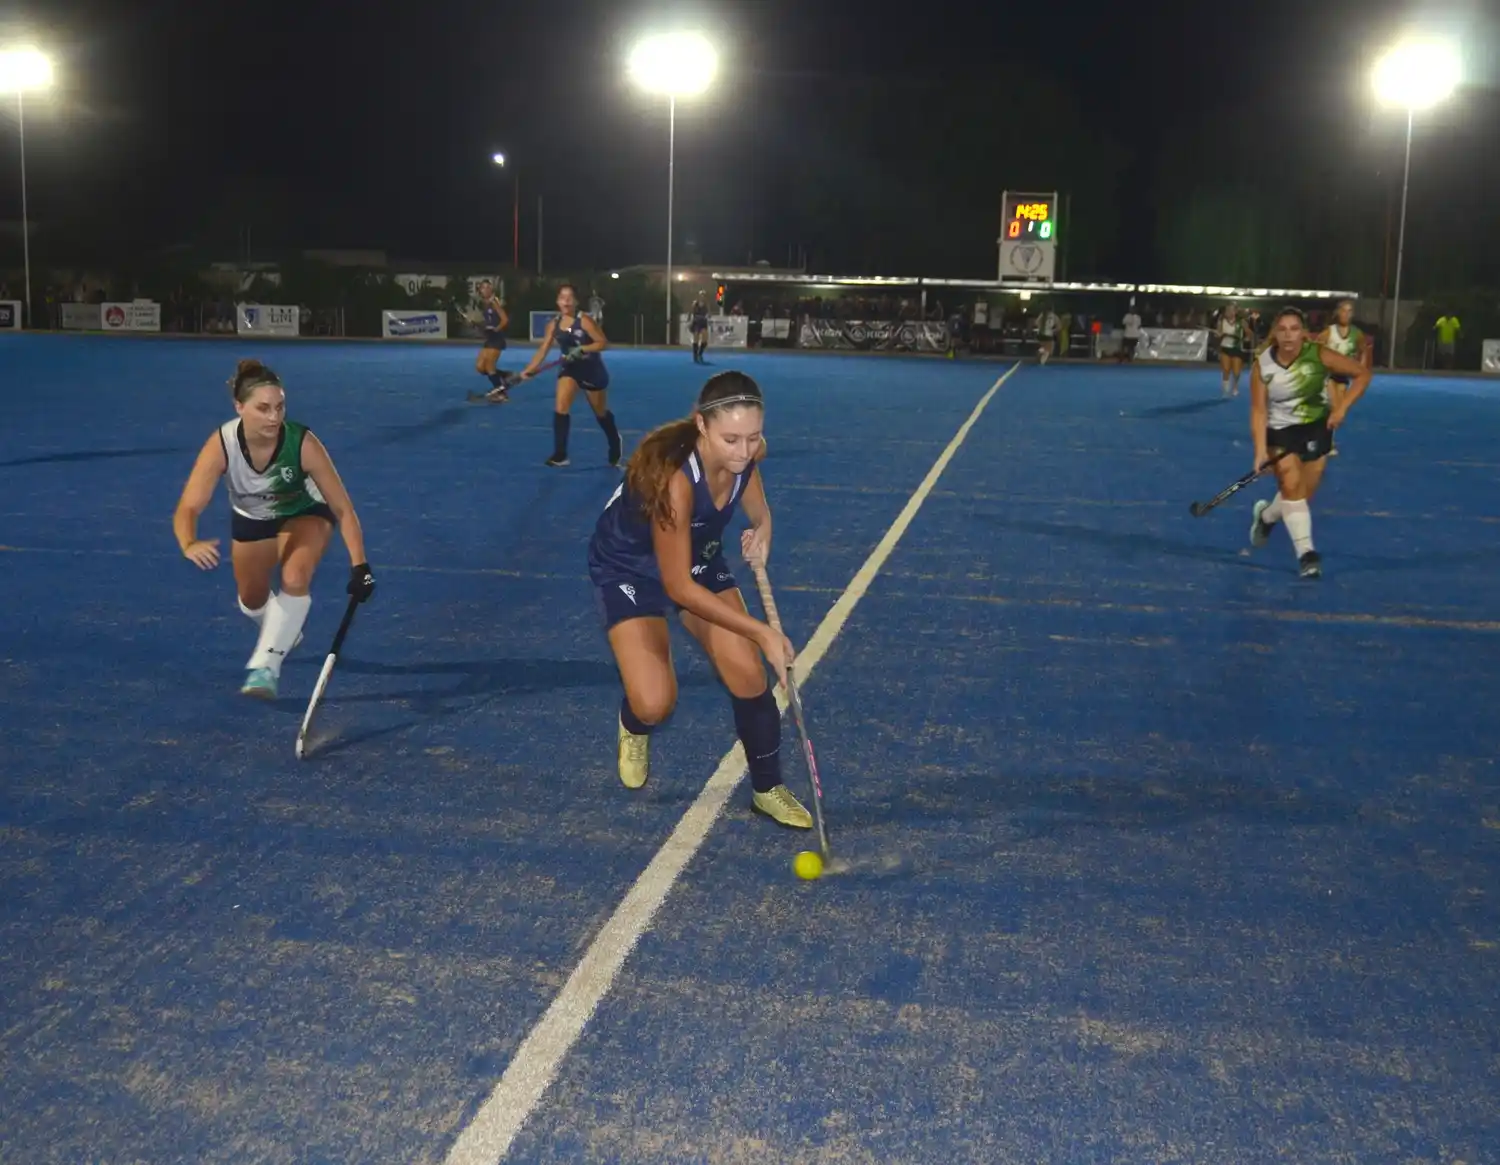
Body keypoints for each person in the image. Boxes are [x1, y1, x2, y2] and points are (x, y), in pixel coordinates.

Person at [586, 370, 812, 829]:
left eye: (753, 437)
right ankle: (634, 724)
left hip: (697, 554)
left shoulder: (746, 450)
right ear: (702, 425)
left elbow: (749, 473)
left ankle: (767, 788)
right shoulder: (676, 482)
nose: (744, 450)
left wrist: (762, 522)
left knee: (748, 671)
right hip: (630, 566)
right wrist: (762, 631)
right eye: (731, 439)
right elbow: (679, 589)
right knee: (654, 702)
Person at [172, 359, 375, 697]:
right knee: (251, 598)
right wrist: (189, 542)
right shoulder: (222, 444)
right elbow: (189, 506)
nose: (274, 417)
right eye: (263, 408)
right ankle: (284, 629)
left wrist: (360, 565)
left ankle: (266, 666)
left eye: (280, 407)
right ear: (239, 407)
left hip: (305, 511)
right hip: (252, 517)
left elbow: (342, 507)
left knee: (295, 576)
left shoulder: (303, 443)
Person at [1247, 307, 1372, 578]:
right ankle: (1307, 555)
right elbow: (1258, 410)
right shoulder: (1262, 366)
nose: (1288, 335)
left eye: (1294, 329)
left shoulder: (1318, 355)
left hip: (1316, 429)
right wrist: (1259, 451)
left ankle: (1267, 517)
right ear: (1275, 334)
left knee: (1302, 494)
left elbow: (1362, 374)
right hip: (1279, 431)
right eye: (1282, 329)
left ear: (1303, 333)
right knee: (1291, 485)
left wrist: (1342, 409)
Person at [518, 283, 619, 467]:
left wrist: (582, 348)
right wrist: (530, 368)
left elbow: (603, 343)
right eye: (562, 297)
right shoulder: (553, 325)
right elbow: (544, 348)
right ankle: (561, 454)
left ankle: (614, 441)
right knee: (561, 407)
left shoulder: (585, 321)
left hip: (591, 369)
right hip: (570, 368)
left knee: (601, 413)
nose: (566, 301)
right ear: (557, 301)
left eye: (569, 297)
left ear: (576, 301)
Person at [1315, 299, 1370, 456]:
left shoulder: (1356, 334)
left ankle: (1327, 439)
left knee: (1339, 409)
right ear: (1338, 313)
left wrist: (1360, 368)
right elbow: (1316, 347)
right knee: (1332, 406)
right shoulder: (1329, 332)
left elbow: (1363, 350)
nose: (1346, 314)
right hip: (1328, 374)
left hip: (1343, 375)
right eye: (1343, 310)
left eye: (1349, 311)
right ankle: (1327, 444)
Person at [472, 279, 511, 401]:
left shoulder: (495, 302)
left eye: (488, 287)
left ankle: (502, 394)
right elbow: (487, 323)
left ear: (491, 289)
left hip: (497, 339)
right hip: (489, 339)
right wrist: (475, 324)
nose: (485, 290)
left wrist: (496, 329)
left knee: (489, 367)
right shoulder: (484, 304)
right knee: (480, 367)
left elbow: (505, 320)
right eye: (483, 288)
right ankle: (504, 375)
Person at [1216, 303, 1246, 397]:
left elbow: (1249, 334)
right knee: (1226, 369)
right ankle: (1225, 389)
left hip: (1237, 348)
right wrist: (1219, 334)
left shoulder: (1241, 322)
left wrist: (1243, 338)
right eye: (1227, 310)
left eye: (1231, 310)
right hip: (1225, 347)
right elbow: (1218, 334)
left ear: (1235, 312)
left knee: (1236, 371)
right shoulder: (1221, 321)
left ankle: (1235, 388)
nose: (1228, 312)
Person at [688, 295, 710, 363]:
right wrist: (689, 321)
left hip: (703, 322)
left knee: (705, 339)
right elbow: (691, 313)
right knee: (696, 338)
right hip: (696, 322)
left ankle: (700, 353)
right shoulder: (695, 304)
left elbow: (708, 314)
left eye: (703, 295)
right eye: (701, 295)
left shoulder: (706, 305)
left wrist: (708, 316)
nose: (702, 297)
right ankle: (695, 355)